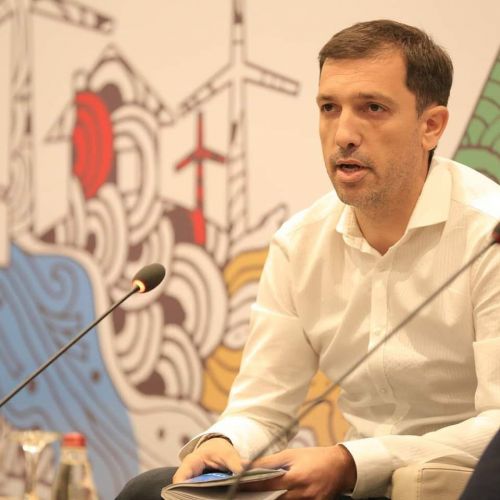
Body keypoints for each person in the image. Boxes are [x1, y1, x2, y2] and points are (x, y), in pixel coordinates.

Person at [117, 19, 500, 499]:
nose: (344, 135)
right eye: (329, 108)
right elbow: (261, 409)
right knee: (151, 491)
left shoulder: (489, 234)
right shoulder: (300, 243)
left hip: (460, 484)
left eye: (373, 108)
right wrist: (223, 443)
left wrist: (352, 461)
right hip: (353, 484)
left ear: (431, 126)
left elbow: (498, 424)